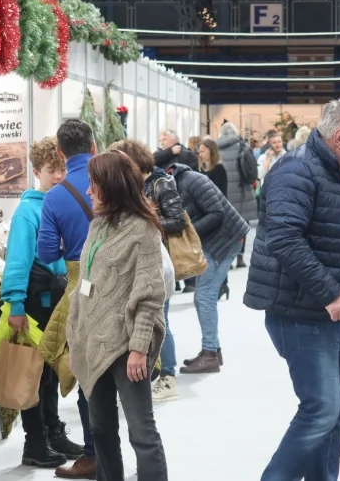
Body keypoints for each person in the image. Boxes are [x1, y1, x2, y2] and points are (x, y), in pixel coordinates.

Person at [244, 99, 340, 481]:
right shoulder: (297, 170)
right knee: (320, 411)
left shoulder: (337, 173)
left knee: (336, 417)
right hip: (302, 314)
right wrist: (331, 293)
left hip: (329, 315)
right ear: (339, 138)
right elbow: (285, 238)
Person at [67, 150, 168, 481]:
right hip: (92, 344)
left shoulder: (144, 231)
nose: (87, 191)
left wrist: (139, 348)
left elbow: (150, 296)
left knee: (142, 432)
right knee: (101, 429)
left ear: (110, 186)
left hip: (126, 349)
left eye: (93, 184)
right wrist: (76, 334)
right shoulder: (97, 226)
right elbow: (88, 285)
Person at [1, 137, 83, 468]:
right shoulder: (27, 211)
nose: (59, 176)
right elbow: (18, 262)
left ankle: (54, 432)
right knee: (33, 373)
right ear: (37, 172)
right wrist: (16, 304)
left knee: (50, 369)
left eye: (63, 168)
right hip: (34, 303)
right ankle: (35, 442)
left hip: (57, 301)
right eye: (52, 170)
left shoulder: (59, 203)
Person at [36, 120, 98, 480]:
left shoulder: (55, 196)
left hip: (81, 287)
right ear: (93, 146)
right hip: (120, 283)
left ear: (60, 152)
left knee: (86, 375)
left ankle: (93, 455)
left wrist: (68, 248)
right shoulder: (111, 182)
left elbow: (45, 252)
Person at [110, 140, 188, 402]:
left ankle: (168, 377)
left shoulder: (161, 182)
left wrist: (145, 224)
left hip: (158, 261)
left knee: (160, 321)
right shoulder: (132, 187)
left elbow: (178, 220)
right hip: (138, 263)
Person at [166, 160, 249, 374]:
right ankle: (213, 350)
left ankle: (210, 353)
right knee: (204, 296)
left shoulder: (192, 180)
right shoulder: (177, 184)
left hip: (226, 239)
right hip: (217, 241)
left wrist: (189, 233)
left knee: (204, 296)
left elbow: (217, 213)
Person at [218, 122, 259, 268]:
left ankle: (227, 258)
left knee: (226, 227)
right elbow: (252, 172)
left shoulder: (216, 149)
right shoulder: (243, 146)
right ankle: (240, 258)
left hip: (223, 193)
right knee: (242, 225)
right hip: (242, 192)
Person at [197, 139, 232, 301]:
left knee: (217, 253)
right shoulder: (207, 168)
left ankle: (222, 284)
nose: (200, 154)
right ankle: (222, 285)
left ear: (211, 151)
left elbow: (221, 194)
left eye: (203, 151)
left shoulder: (218, 169)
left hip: (218, 215)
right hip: (210, 214)